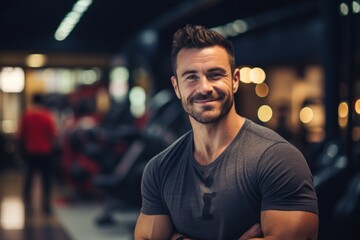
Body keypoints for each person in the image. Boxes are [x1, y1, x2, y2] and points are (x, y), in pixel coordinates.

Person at [134, 25, 318, 240]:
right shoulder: (159, 169)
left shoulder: (277, 159)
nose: (204, 88)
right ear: (176, 87)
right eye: (191, 77)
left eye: (215, 74)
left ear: (235, 80)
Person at [18, 93, 58, 216]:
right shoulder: (47, 116)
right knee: (46, 179)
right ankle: (46, 205)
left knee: (29, 178)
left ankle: (27, 204)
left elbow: (21, 135)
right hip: (45, 151)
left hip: (30, 151)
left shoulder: (26, 115)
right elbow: (53, 134)